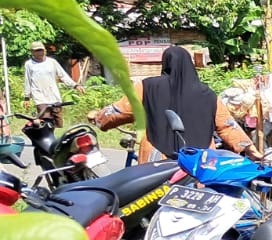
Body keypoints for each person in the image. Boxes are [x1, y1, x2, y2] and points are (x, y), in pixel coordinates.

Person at [91, 45, 259, 162]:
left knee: (149, 203)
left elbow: (120, 111)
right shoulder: (207, 94)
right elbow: (227, 125)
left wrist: (99, 118)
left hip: (157, 160)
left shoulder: (147, 86)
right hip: (199, 162)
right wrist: (250, 149)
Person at [23, 41, 75, 123]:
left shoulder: (52, 62)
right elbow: (27, 81)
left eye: (41, 50)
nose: (40, 52)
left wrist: (75, 85)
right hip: (39, 97)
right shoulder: (29, 64)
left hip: (54, 96)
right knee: (45, 120)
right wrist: (27, 98)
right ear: (32, 52)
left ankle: (54, 135)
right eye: (37, 50)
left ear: (44, 50)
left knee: (58, 121)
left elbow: (63, 75)